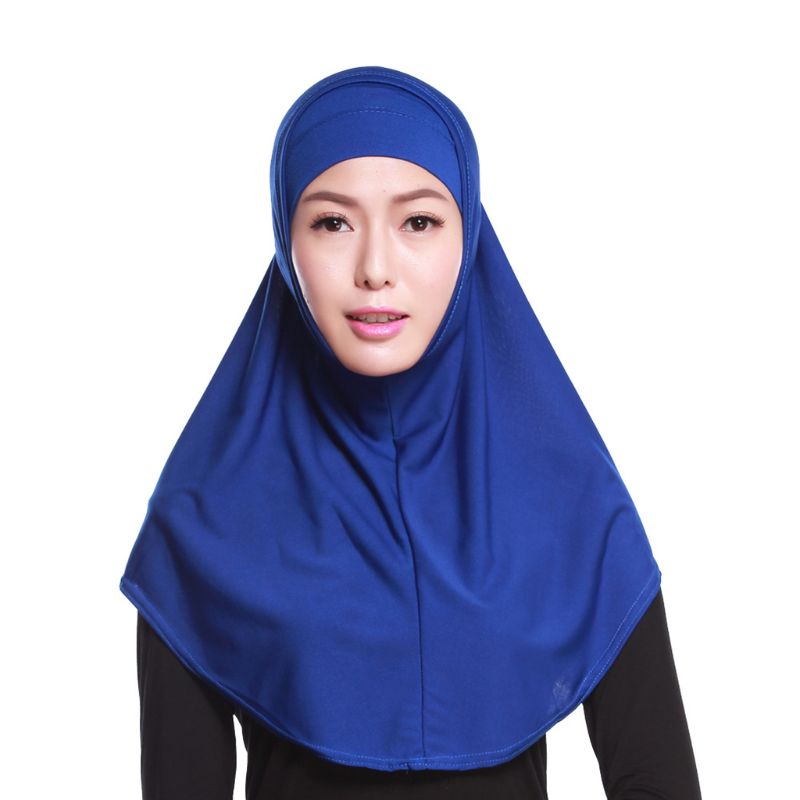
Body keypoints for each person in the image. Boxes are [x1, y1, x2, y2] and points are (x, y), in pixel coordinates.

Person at [121, 65, 702, 798]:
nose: (375, 269)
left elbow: (658, 781)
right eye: (332, 222)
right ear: (285, 237)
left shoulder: (570, 502)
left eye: (418, 222)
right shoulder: (204, 522)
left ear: (470, 236)